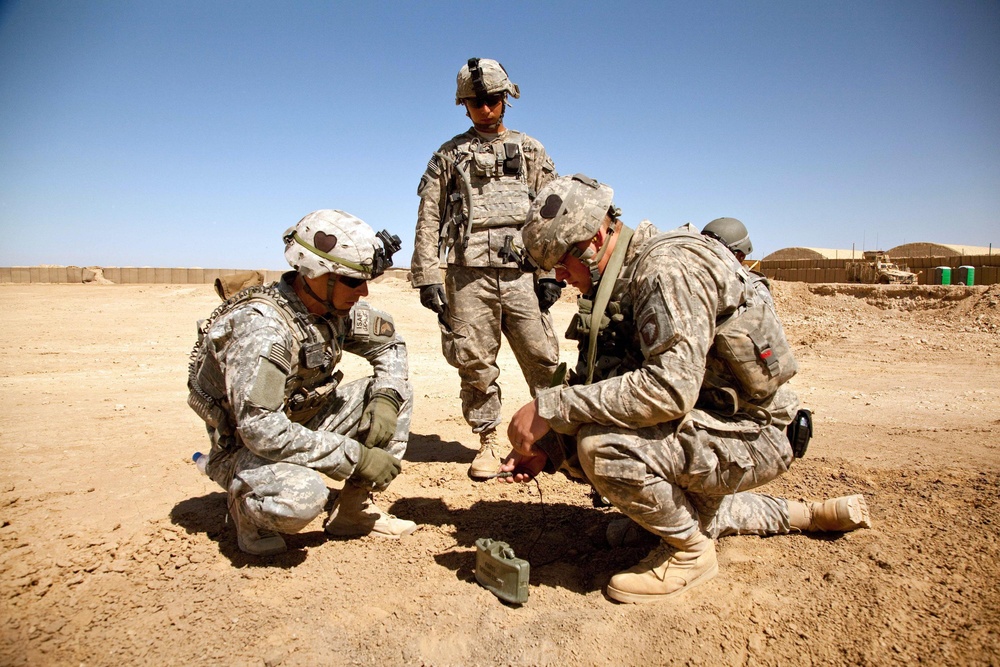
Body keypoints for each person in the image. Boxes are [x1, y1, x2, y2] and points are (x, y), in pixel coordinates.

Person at [501, 174, 870, 603]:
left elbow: (667, 392)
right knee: (585, 444)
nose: (561, 276)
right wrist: (550, 448)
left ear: (597, 235)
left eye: (563, 260)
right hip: (714, 425)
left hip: (756, 432)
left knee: (603, 447)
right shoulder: (621, 278)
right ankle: (805, 515)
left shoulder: (665, 270)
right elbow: (608, 384)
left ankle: (692, 553)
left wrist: (550, 408)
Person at [187, 209, 417, 556]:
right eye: (353, 281)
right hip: (245, 447)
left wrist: (384, 398)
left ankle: (352, 512)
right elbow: (262, 431)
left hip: (300, 421)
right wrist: (355, 457)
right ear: (315, 274)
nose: (365, 291)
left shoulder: (330, 309)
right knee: (302, 498)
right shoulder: (263, 329)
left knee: (396, 392)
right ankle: (245, 506)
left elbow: (390, 344)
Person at [410, 57, 562, 479]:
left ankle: (562, 444)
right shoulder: (448, 156)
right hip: (467, 275)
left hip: (522, 274)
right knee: (475, 363)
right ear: (464, 105)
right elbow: (428, 217)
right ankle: (488, 442)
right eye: (476, 102)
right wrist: (426, 276)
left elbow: (552, 215)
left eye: (493, 100)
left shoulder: (531, 150)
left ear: (505, 100)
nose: (486, 109)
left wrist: (549, 273)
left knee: (544, 361)